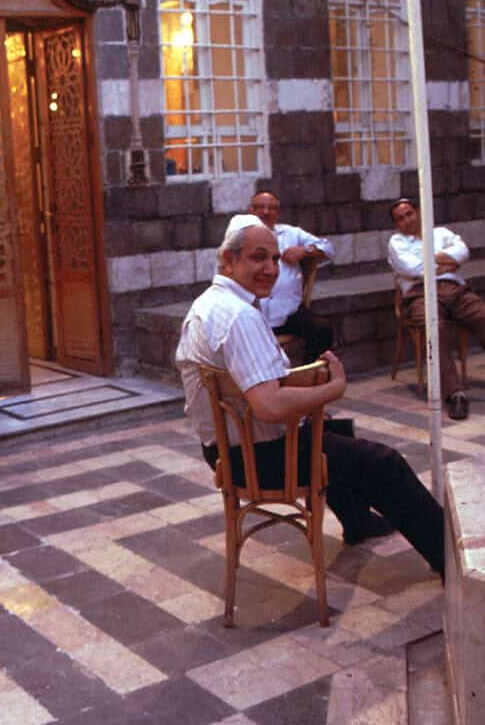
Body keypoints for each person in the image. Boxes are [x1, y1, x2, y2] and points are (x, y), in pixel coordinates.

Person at [175, 214, 444, 572]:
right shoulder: (239, 316)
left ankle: (358, 524)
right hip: (257, 459)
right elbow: (269, 405)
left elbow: (256, 384)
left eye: (274, 259)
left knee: (335, 432)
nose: (270, 269)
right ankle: (451, 562)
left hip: (227, 449)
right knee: (385, 464)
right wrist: (333, 387)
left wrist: (307, 384)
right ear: (229, 260)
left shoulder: (209, 303)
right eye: (258, 257)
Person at [387, 198, 485, 421]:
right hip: (419, 294)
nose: (407, 220)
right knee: (435, 328)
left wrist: (432, 262)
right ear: (396, 224)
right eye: (400, 218)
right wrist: (448, 263)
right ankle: (454, 394)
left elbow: (463, 251)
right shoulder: (397, 242)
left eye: (409, 214)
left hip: (455, 290)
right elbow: (414, 269)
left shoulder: (440, 233)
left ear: (418, 213)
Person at [246, 191, 334, 363]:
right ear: (250, 211)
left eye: (271, 208)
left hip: (289, 312)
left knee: (322, 330)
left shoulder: (291, 234)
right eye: (260, 207)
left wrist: (304, 250)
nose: (266, 212)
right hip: (253, 312)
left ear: (278, 213)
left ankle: (308, 376)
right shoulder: (239, 239)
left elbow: (328, 248)